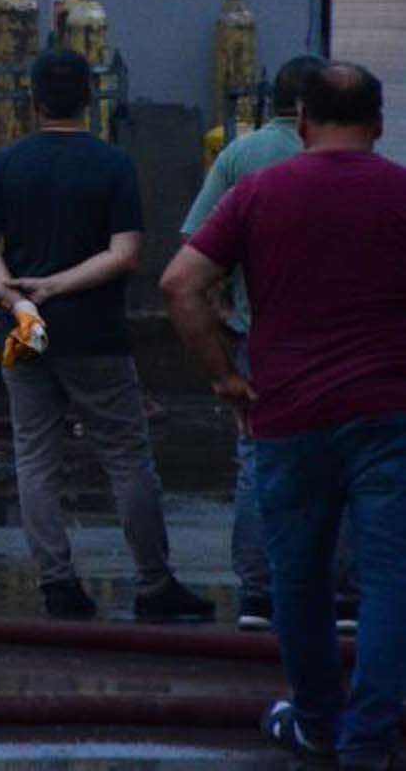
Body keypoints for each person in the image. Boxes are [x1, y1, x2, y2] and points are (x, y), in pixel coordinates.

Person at [162, 63, 406, 770]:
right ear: (379, 124)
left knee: (296, 579)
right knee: (390, 578)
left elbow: (180, 284)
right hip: (388, 414)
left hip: (288, 414)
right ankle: (369, 737)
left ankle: (315, 723)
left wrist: (224, 378)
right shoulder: (397, 192)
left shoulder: (260, 190)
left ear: (300, 124)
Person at [0, 48, 213, 621]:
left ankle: (57, 584)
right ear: (89, 99)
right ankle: (154, 583)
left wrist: (16, 295)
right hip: (95, 335)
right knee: (127, 457)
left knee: (34, 457)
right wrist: (57, 286)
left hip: (24, 335)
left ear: (32, 101)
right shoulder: (112, 165)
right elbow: (125, 255)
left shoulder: (7, 164)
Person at [180, 55, 355, 632]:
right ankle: (346, 593)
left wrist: (224, 312)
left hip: (264, 334)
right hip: (344, 337)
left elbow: (192, 252)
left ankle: (257, 594)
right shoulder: (351, 160)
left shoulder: (241, 156)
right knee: (349, 459)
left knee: (259, 456)